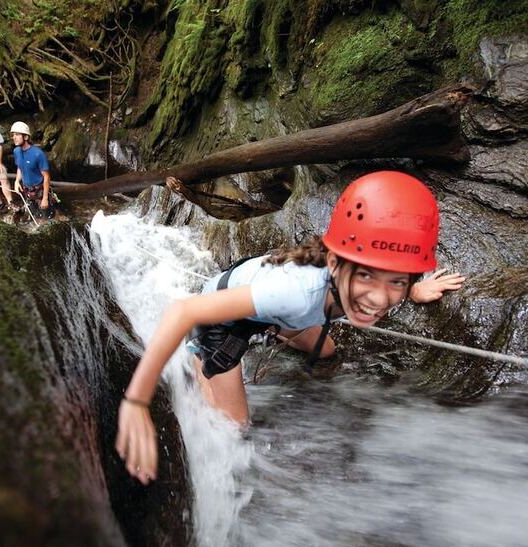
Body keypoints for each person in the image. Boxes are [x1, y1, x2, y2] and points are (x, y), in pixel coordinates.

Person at [115, 171, 466, 485]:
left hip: (271, 311)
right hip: (220, 322)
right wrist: (136, 401)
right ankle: (199, 362)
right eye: (365, 276)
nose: (379, 298)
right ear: (334, 264)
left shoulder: (356, 284)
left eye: (398, 282)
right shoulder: (296, 293)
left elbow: (383, 283)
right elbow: (183, 311)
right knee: (234, 429)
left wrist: (416, 291)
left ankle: (275, 327)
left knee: (326, 350)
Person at [10, 121, 55, 220]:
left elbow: (46, 177)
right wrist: (17, 181)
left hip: (40, 190)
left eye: (17, 135)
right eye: (13, 135)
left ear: (25, 137)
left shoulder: (38, 154)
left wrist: (45, 198)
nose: (14, 137)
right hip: (27, 190)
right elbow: (20, 167)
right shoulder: (16, 151)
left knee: (47, 218)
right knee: (34, 216)